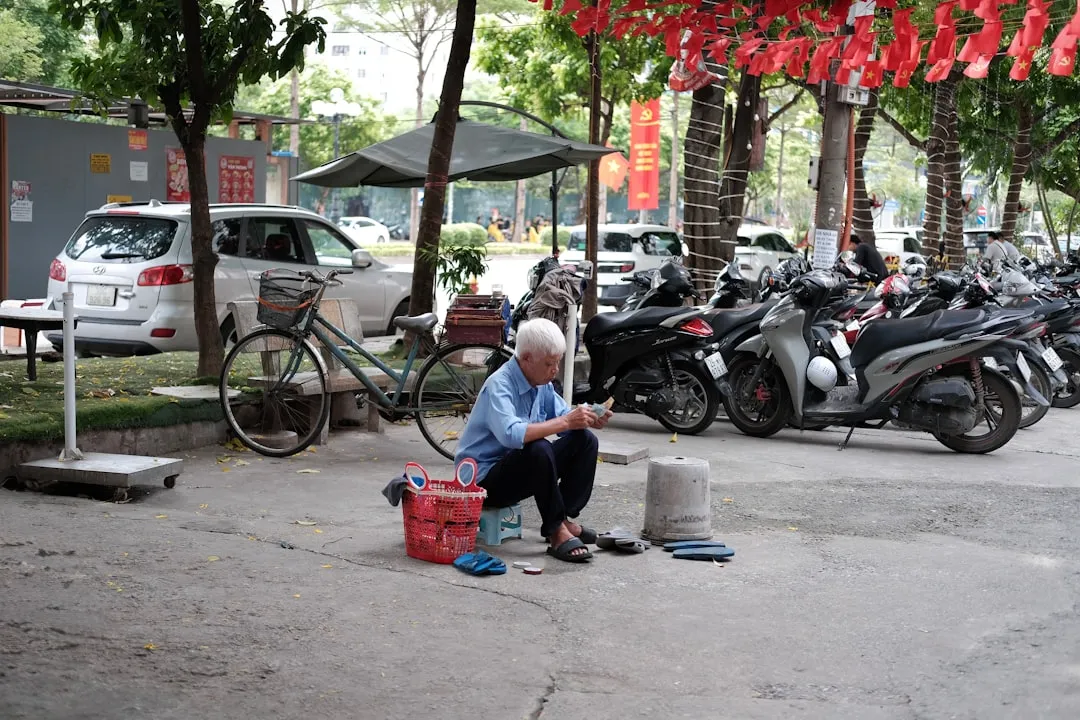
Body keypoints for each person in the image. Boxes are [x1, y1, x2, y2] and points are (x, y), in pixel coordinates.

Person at [455, 318, 611, 563]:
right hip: (482, 483)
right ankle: (555, 530)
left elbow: (563, 417)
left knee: (585, 440)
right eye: (549, 363)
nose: (555, 370)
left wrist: (587, 418)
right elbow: (511, 434)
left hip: (515, 469)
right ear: (526, 358)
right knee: (538, 448)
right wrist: (567, 422)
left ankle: (564, 518)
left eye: (557, 362)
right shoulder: (500, 385)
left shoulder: (542, 385)